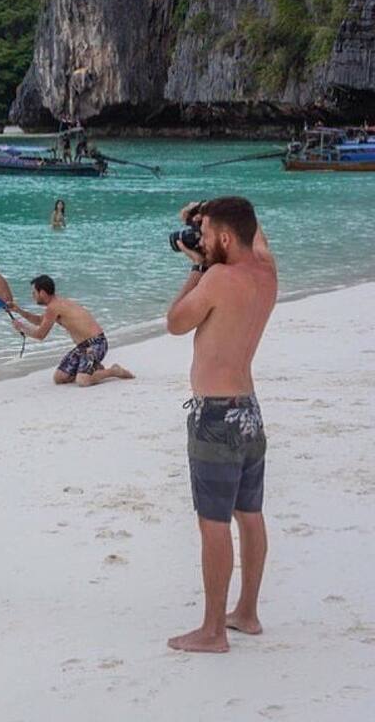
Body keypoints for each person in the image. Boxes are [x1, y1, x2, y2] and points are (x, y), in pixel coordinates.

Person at [166, 196, 277, 654]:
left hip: (215, 416)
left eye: (208, 234)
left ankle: (213, 631)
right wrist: (207, 212)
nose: (202, 240)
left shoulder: (216, 278)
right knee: (249, 514)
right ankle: (246, 612)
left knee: (213, 523)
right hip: (248, 410)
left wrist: (196, 268)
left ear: (226, 238)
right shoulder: (266, 270)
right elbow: (253, 229)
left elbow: (175, 322)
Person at [8, 275, 134, 386]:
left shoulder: (54, 307)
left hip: (96, 343)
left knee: (83, 380)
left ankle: (113, 371)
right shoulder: (56, 304)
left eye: (34, 292)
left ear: (43, 293)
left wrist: (22, 327)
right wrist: (19, 311)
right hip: (82, 347)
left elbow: (40, 335)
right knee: (59, 378)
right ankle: (93, 368)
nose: (32, 296)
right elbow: (40, 321)